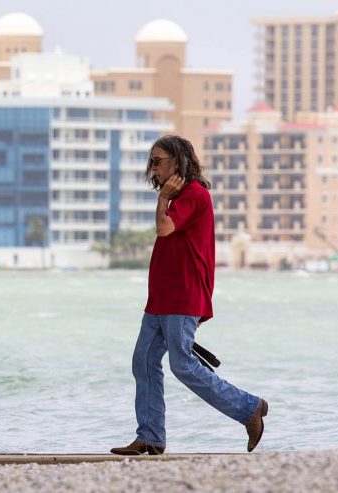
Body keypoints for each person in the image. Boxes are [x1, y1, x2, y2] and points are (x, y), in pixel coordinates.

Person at [110, 135, 268, 455]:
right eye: (150, 162)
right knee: (143, 362)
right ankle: (151, 437)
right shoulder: (180, 196)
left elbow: (164, 228)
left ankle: (248, 408)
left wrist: (163, 199)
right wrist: (166, 197)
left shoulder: (195, 195)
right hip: (161, 298)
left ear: (177, 161)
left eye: (158, 161)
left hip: (183, 296)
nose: (152, 168)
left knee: (183, 365)